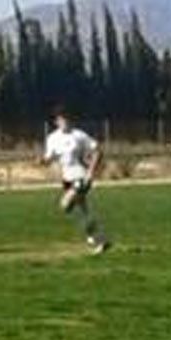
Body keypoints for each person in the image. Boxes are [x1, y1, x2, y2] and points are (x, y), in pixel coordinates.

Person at [42, 108, 112, 254]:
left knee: (65, 205)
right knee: (82, 211)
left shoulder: (79, 135)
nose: (64, 122)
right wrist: (42, 161)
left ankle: (95, 238)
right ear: (56, 122)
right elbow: (49, 157)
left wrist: (91, 172)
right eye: (61, 119)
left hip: (80, 177)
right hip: (66, 179)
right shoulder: (52, 138)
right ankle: (99, 239)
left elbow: (97, 151)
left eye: (66, 119)